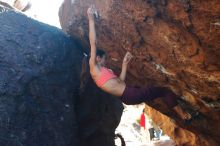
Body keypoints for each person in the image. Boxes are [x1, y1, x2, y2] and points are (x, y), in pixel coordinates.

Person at [87, 5, 193, 122]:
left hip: (128, 94)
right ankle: (183, 115)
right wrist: (91, 19)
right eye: (103, 59)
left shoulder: (105, 72)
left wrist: (125, 63)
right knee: (165, 91)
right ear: (97, 58)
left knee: (156, 91)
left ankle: (179, 111)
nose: (105, 61)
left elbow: (120, 81)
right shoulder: (94, 69)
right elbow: (93, 43)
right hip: (130, 94)